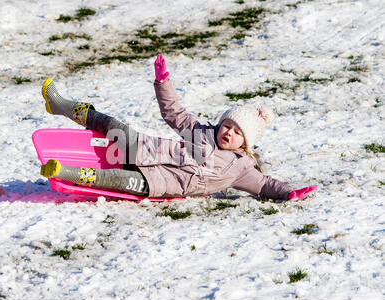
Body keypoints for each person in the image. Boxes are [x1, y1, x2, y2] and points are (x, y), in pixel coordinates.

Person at [39, 54, 317, 200]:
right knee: (111, 125)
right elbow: (173, 112)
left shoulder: (241, 170)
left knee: (118, 182)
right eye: (227, 125)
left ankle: (63, 172)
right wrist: (163, 82)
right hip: (144, 150)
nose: (228, 132)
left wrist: (288, 192)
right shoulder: (202, 132)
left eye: (236, 132)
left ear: (245, 143)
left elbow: (265, 184)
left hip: (160, 183)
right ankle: (61, 105)